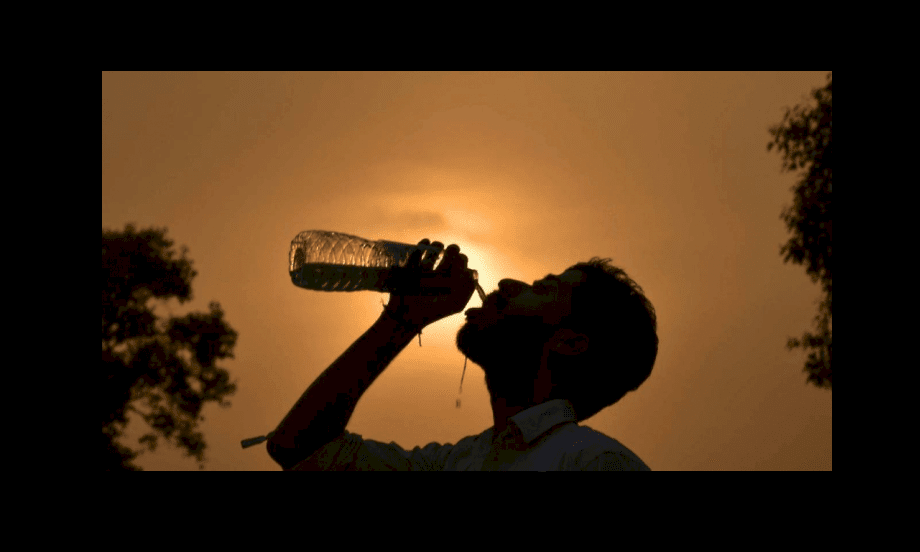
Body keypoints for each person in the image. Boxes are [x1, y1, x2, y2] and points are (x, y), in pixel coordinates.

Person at [267, 239, 658, 471]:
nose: (507, 281)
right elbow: (299, 447)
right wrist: (402, 319)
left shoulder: (595, 463)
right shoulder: (458, 462)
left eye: (542, 288)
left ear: (570, 343)